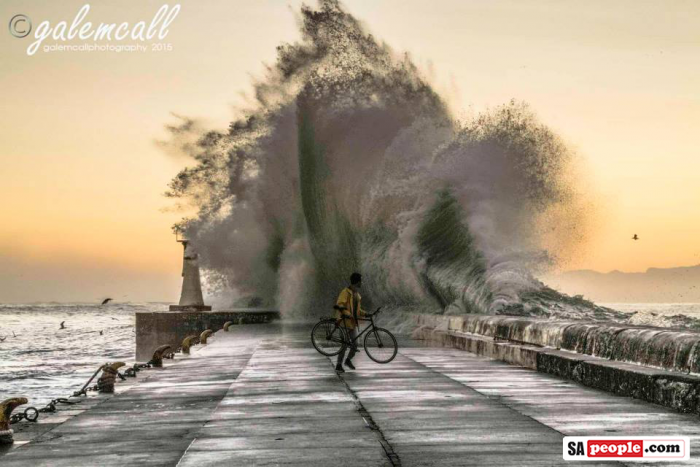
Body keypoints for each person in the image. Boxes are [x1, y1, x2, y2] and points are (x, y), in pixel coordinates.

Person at [334, 272, 366, 373]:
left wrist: (366, 314)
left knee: (355, 344)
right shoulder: (345, 292)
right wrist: (348, 313)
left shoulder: (356, 294)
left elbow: (358, 310)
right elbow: (340, 304)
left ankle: (348, 360)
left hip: (352, 323)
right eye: (361, 280)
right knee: (344, 345)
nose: (362, 282)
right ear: (357, 281)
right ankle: (339, 365)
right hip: (344, 322)